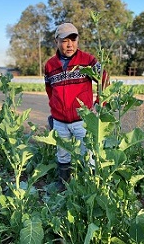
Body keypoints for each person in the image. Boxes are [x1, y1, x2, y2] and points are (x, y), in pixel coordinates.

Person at [44, 22, 109, 192]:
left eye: (73, 39)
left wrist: (99, 105)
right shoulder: (50, 66)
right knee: (62, 153)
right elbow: (50, 90)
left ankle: (90, 187)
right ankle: (63, 184)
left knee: (89, 154)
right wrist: (54, 110)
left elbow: (104, 81)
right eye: (65, 40)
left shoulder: (88, 60)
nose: (70, 44)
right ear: (57, 41)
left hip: (83, 119)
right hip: (60, 121)